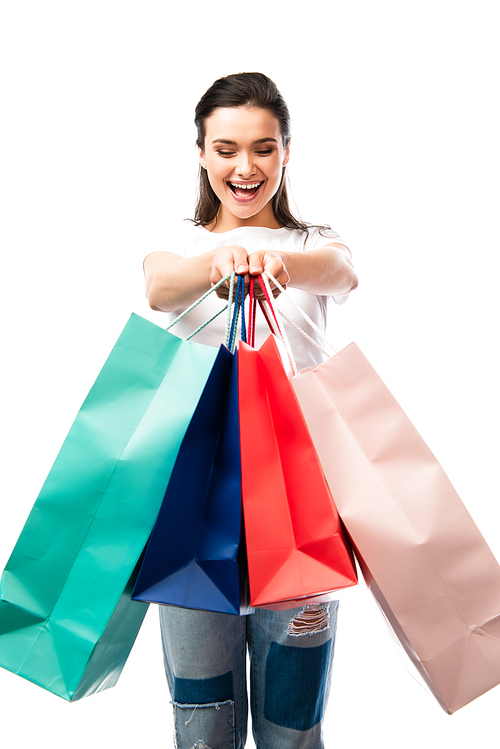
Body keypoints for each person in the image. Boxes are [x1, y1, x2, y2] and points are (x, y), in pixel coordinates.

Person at [144, 72, 358, 749]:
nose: (245, 167)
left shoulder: (313, 242)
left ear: (286, 153)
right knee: (202, 727)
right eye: (227, 147)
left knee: (293, 726)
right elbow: (158, 286)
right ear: (202, 153)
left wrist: (275, 260)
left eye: (264, 148)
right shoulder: (179, 241)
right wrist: (218, 263)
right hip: (188, 518)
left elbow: (342, 271)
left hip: (300, 513)